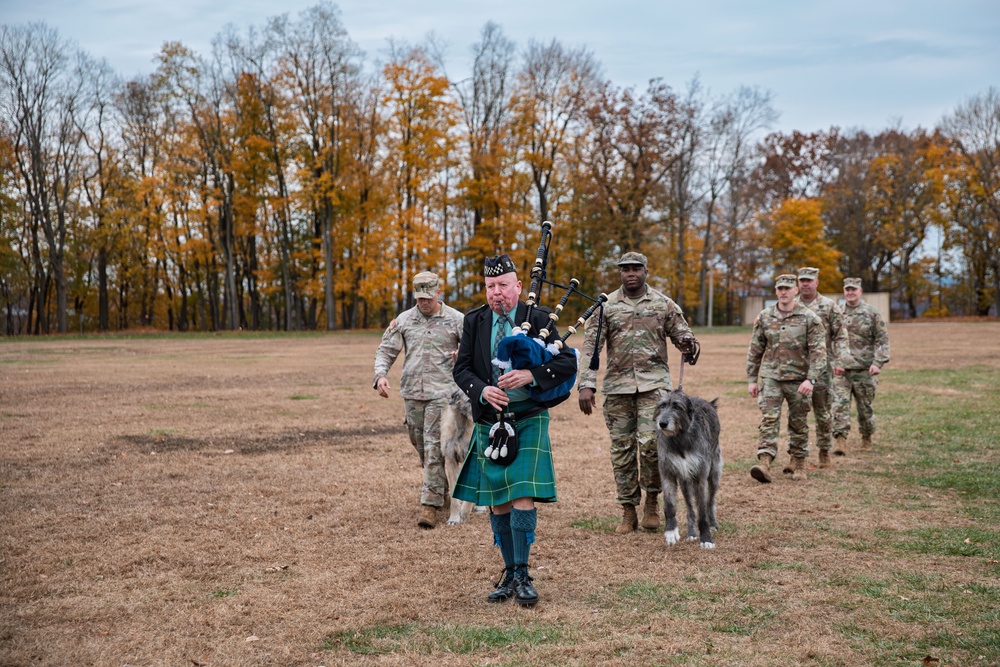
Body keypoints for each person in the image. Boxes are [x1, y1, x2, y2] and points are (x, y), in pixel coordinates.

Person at [451, 253, 577, 607]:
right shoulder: (475, 320)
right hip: (492, 419)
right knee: (498, 500)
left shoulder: (538, 318)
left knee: (521, 493)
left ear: (518, 287)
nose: (497, 293)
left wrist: (531, 375)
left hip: (528, 414)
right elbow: (461, 369)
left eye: (503, 286)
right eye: (491, 287)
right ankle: (508, 572)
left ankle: (522, 574)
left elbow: (567, 361)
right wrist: (481, 389)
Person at [578, 252, 697, 534]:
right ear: (620, 273)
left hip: (655, 390)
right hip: (617, 388)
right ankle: (628, 509)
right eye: (625, 269)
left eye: (636, 268)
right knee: (622, 449)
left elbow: (686, 337)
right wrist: (586, 383)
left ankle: (653, 502)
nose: (631, 273)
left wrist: (689, 345)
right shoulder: (605, 306)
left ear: (646, 271)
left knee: (651, 445)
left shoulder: (663, 303)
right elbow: (590, 348)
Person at [372, 271, 464, 529]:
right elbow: (386, 350)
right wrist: (380, 376)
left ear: (438, 293)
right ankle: (443, 487)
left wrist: (462, 356)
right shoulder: (404, 320)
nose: (424, 302)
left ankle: (430, 506)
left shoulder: (456, 320)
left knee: (434, 447)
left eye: (428, 297)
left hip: (443, 395)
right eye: (420, 298)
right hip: (412, 394)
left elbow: (474, 350)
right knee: (421, 446)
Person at [746, 274, 827, 483]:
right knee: (768, 420)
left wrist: (811, 379)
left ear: (795, 291)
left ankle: (799, 463)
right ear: (776, 291)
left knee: (798, 422)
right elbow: (755, 350)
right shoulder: (765, 316)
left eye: (787, 288)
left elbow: (819, 353)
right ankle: (764, 463)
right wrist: (752, 379)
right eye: (780, 288)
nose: (783, 292)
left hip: (799, 379)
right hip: (772, 378)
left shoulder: (809, 318)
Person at [795, 267, 849, 468]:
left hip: (822, 370)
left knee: (823, 413)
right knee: (797, 414)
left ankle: (824, 451)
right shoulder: (791, 306)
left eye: (809, 280)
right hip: (797, 369)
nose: (805, 284)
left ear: (817, 282)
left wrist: (841, 360)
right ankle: (797, 456)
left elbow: (841, 335)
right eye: (802, 281)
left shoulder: (829, 306)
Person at [832, 277, 891, 453]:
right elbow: (829, 340)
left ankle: (866, 437)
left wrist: (878, 363)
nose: (850, 293)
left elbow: (882, 340)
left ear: (860, 291)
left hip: (865, 370)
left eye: (853, 289)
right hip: (841, 371)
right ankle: (840, 441)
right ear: (844, 291)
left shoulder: (872, 313)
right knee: (839, 406)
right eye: (847, 289)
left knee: (864, 408)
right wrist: (835, 362)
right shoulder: (837, 313)